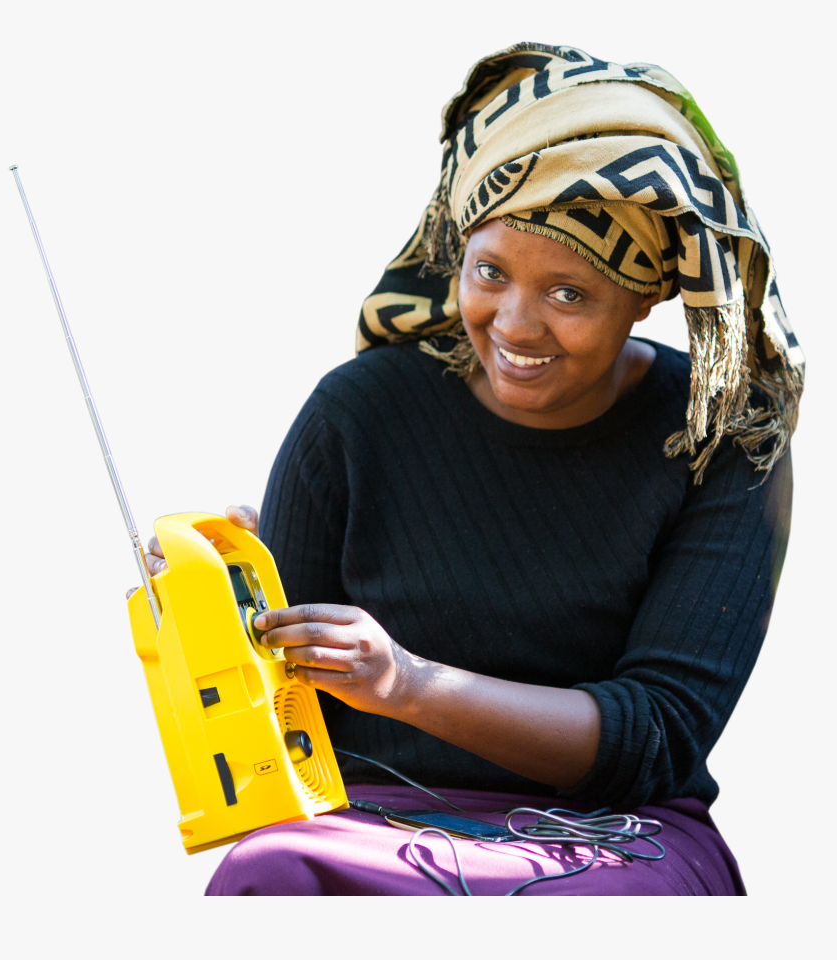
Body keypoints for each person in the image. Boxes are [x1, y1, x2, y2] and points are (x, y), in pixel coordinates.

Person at [150, 44, 803, 895]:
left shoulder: (720, 439)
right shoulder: (359, 413)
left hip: (614, 841)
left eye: (570, 294)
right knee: (271, 872)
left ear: (647, 295)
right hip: (367, 822)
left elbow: (663, 734)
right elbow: (281, 708)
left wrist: (409, 685)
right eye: (489, 272)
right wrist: (222, 604)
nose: (516, 324)